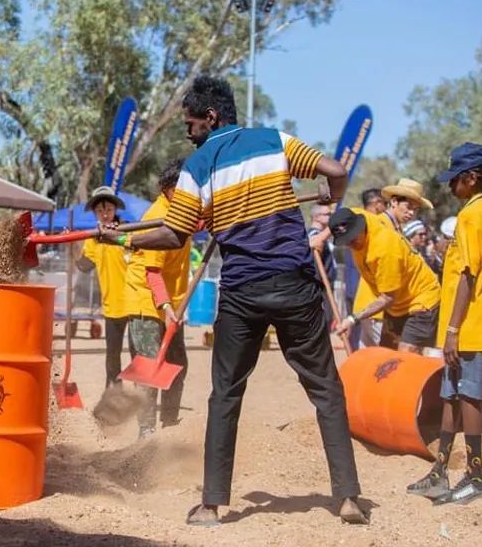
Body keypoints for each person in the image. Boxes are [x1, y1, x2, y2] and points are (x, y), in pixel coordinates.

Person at [99, 75, 365, 526]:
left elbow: (173, 233)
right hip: (296, 284)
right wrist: (329, 205)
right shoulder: (274, 140)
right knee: (326, 389)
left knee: (226, 394)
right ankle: (349, 498)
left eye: (191, 123)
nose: (188, 132)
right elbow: (336, 172)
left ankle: (212, 503)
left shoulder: (199, 164)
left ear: (211, 117)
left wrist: (123, 241)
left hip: (243, 292)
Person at [407, 142, 482, 505]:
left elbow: (468, 276)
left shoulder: (473, 215)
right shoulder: (477, 211)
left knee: (469, 395)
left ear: (471, 179)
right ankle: (440, 470)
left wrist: (453, 330)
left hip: (470, 325)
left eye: (455, 180)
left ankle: (475, 474)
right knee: (452, 394)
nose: (451, 187)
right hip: (464, 325)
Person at [120, 161, 190, 438]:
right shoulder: (158, 217)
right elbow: (152, 271)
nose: (186, 194)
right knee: (149, 367)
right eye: (180, 189)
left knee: (178, 364)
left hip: (172, 303)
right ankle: (146, 432)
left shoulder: (183, 212)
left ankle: (169, 425)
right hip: (146, 298)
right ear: (166, 189)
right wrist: (166, 306)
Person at [328, 208, 441, 354]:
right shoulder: (359, 217)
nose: (352, 244)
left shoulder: (384, 250)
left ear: (359, 226)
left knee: (405, 354)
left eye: (353, 238)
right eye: (346, 241)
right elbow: (345, 213)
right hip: (397, 305)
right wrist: (319, 238)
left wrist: (352, 319)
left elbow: (388, 297)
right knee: (388, 357)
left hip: (420, 298)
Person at [76, 186, 130, 389]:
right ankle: (114, 393)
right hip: (112, 305)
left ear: (115, 209)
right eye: (100, 211)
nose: (105, 214)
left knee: (138, 353)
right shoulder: (93, 240)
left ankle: (144, 398)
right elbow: (83, 266)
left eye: (108, 209)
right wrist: (70, 242)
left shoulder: (127, 230)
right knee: (112, 354)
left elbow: (134, 244)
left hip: (135, 302)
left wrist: (115, 235)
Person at [349, 188, 392, 348]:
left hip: (365, 302)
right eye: (386, 204)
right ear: (377, 204)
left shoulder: (359, 227)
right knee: (384, 355)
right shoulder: (378, 222)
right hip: (376, 304)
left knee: (366, 352)